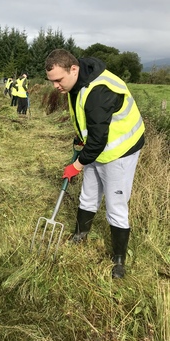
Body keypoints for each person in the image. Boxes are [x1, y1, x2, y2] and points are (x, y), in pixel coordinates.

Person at [45, 49, 145, 279]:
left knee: (115, 204)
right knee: (88, 194)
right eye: (51, 82)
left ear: (73, 69)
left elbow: (99, 139)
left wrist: (77, 165)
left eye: (58, 80)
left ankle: (119, 260)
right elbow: (90, 125)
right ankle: (80, 235)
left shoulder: (99, 90)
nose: (56, 87)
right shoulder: (76, 82)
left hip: (121, 150)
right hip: (97, 147)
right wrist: (82, 137)